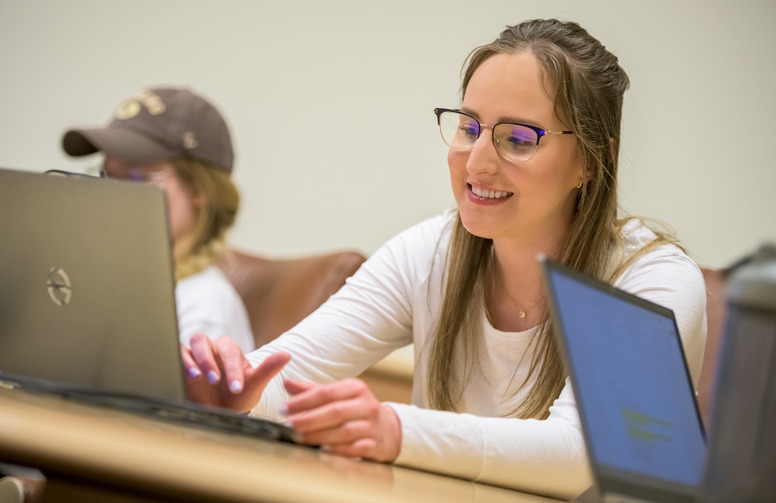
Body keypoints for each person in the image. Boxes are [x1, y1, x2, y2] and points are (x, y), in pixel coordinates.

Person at [181, 19, 707, 499]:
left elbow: (578, 457)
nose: (476, 162)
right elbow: (286, 375)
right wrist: (237, 388)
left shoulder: (654, 280)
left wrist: (397, 431)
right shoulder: (430, 249)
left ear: (594, 160)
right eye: (469, 127)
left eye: (518, 139)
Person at [62, 87, 255, 353]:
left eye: (136, 178)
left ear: (199, 189)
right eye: (107, 176)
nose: (113, 196)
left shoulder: (203, 306)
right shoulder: (94, 280)